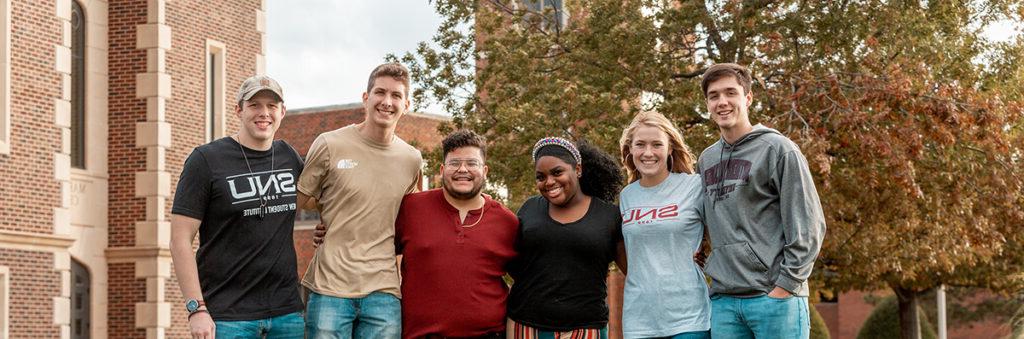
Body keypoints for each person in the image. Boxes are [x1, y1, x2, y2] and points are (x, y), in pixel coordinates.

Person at [170, 75, 305, 339]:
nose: (264, 113)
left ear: (282, 112)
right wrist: (196, 308)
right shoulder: (206, 160)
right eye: (254, 105)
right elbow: (180, 240)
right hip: (228, 317)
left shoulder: (289, 157)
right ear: (239, 110)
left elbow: (317, 200)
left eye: (272, 106)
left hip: (287, 314)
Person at [697, 63, 826, 339]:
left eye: (730, 92)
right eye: (714, 96)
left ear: (748, 97)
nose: (722, 102)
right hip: (725, 302)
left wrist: (785, 286)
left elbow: (808, 224)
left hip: (774, 299)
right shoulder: (706, 160)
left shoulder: (779, 150)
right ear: (707, 103)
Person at [296, 63, 422, 338]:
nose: (387, 102)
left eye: (396, 96)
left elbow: (407, 219)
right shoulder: (330, 144)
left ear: (407, 104)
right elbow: (300, 200)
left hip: (384, 290)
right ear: (366, 98)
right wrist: (331, 216)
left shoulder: (411, 159)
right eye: (380, 92)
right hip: (329, 287)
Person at [394, 130, 518, 338]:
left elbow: (527, 281)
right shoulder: (411, 208)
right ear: (442, 169)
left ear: (485, 170)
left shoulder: (507, 221)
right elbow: (375, 248)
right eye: (454, 163)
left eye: (472, 163)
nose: (463, 169)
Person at [506, 136, 627, 338]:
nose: (549, 182)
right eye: (540, 177)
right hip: (525, 325)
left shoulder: (609, 216)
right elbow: (512, 260)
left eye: (557, 172)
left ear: (577, 169)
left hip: (585, 328)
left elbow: (634, 271)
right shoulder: (530, 208)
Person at [617, 111, 710, 339]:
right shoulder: (627, 196)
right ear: (630, 149)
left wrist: (708, 253)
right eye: (640, 144)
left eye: (657, 144)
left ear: (670, 148)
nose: (648, 152)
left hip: (689, 318)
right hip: (639, 319)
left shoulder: (694, 186)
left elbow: (724, 226)